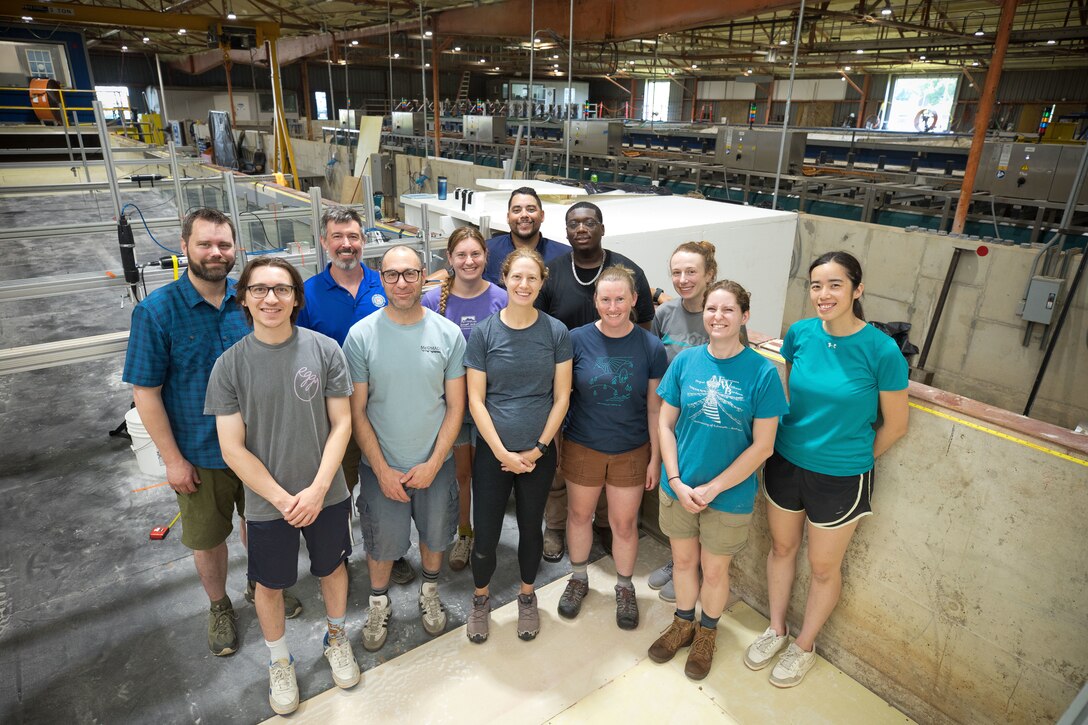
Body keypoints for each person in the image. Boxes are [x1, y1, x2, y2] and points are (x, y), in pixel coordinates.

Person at [122, 208, 302, 658]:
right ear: (184, 248)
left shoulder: (252, 303)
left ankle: (262, 587)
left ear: (234, 249)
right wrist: (172, 460)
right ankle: (219, 605)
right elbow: (145, 393)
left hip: (260, 449)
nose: (216, 253)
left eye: (223, 244)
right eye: (205, 244)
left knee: (260, 525)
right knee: (207, 537)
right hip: (200, 453)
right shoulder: (156, 313)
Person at [743, 251, 908, 688]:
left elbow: (896, 423)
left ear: (858, 289)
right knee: (781, 549)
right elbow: (794, 395)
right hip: (785, 461)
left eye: (835, 284)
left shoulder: (881, 349)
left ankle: (804, 645)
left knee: (822, 567)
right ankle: (776, 629)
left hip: (841, 476)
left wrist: (854, 458)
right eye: (816, 285)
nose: (824, 294)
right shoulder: (799, 334)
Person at [205, 257, 359, 716]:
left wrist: (316, 489)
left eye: (281, 289)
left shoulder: (326, 349)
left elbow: (342, 424)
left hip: (325, 493)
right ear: (245, 299)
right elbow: (232, 448)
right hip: (268, 502)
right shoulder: (229, 367)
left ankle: (336, 637)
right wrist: (281, 497)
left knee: (332, 568)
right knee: (268, 585)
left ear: (295, 297)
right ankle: (279, 660)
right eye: (259, 290)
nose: (270, 298)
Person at [648, 280, 788, 682]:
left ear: (744, 317)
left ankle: (707, 632)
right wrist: (675, 478)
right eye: (712, 309)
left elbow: (762, 447)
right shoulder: (686, 362)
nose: (718, 317)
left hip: (728, 496)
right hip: (680, 485)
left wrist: (714, 488)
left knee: (713, 570)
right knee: (684, 562)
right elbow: (665, 422)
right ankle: (682, 623)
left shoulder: (762, 373)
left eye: (728, 310)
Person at [343, 245, 467, 653]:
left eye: (410, 274)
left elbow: (456, 407)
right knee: (381, 544)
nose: (401, 282)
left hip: (435, 464)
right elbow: (356, 411)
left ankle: (429, 593)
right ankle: (379, 603)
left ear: (423, 276)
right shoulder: (361, 336)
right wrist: (380, 469)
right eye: (393, 275)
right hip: (384, 467)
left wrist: (433, 463)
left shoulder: (447, 334)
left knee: (435, 537)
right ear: (381, 278)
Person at [296, 205, 415, 586]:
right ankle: (339, 554)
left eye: (353, 237)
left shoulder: (386, 283)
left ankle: (392, 551)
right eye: (338, 237)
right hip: (334, 417)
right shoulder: (309, 294)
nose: (346, 245)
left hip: (388, 410)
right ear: (324, 242)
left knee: (389, 484)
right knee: (338, 492)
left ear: (364, 241)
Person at [535, 201, 655, 562]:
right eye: (574, 223)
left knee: (611, 487)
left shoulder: (628, 271)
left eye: (589, 222)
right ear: (566, 230)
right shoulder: (553, 272)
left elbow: (645, 323)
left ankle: (603, 527)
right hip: (566, 379)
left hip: (612, 388)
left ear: (602, 227)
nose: (582, 228)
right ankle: (556, 528)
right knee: (563, 472)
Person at [464, 248, 572, 644]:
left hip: (538, 456)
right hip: (494, 456)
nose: (524, 285)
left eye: (532, 278)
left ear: (541, 283)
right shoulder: (485, 333)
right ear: (504, 280)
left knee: (531, 528)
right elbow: (476, 399)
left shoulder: (556, 333)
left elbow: (561, 397)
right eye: (516, 278)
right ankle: (480, 600)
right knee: (487, 532)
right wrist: (502, 453)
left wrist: (539, 449)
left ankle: (528, 596)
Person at [557, 265, 667, 631]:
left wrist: (655, 457)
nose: (613, 306)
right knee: (578, 515)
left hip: (630, 449)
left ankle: (624, 586)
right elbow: (561, 396)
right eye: (606, 299)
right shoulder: (575, 340)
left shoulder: (650, 346)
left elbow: (654, 407)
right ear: (596, 301)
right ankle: (577, 578)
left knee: (623, 524)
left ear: (635, 300)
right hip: (583, 445)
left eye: (621, 299)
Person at [647, 241, 748, 603]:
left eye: (692, 272)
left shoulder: (721, 316)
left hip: (712, 426)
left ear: (709, 274)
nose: (683, 279)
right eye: (676, 272)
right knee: (679, 510)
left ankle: (701, 572)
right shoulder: (665, 314)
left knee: (708, 507)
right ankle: (680, 565)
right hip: (674, 422)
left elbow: (739, 366)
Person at [422, 227, 507, 572]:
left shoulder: (502, 297)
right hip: (451, 406)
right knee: (461, 474)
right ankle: (464, 533)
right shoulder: (431, 301)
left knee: (487, 474)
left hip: (491, 405)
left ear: (486, 256)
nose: (469, 261)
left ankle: (487, 534)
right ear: (450, 259)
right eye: (461, 255)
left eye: (475, 254)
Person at [482, 186, 568, 286]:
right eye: (517, 210)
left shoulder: (563, 257)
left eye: (531, 209)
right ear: (508, 217)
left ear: (542, 215)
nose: (524, 215)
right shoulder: (487, 252)